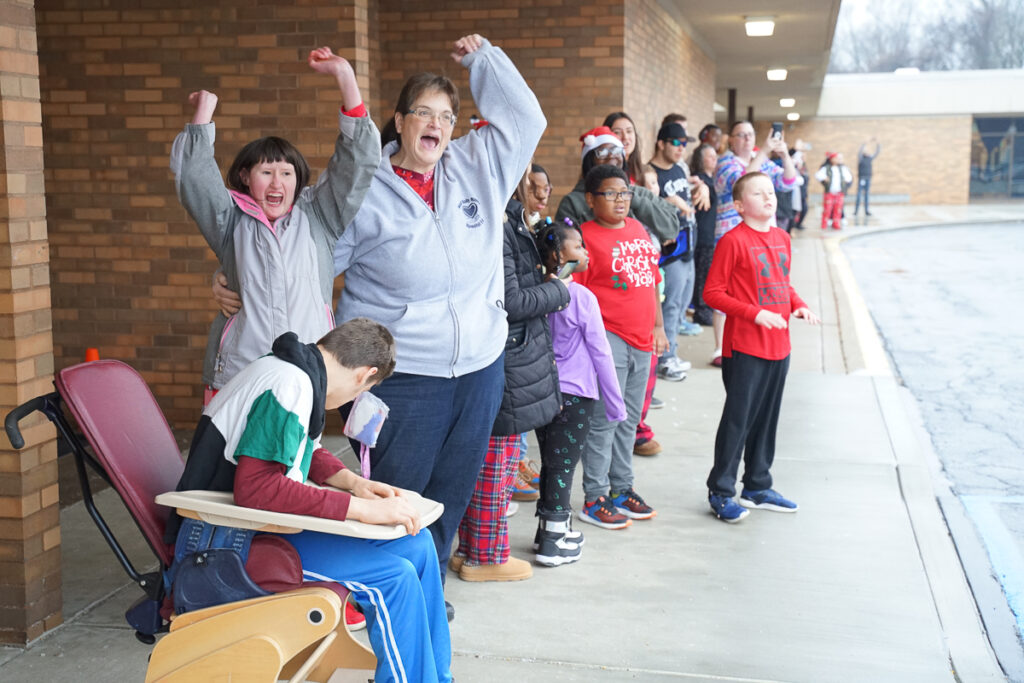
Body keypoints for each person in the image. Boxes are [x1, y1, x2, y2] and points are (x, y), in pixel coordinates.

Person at [167, 321, 452, 683]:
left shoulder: (296, 371)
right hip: (224, 540)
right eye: (363, 391)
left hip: (256, 527)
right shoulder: (289, 385)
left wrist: (355, 484)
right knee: (392, 578)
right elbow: (257, 489)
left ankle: (436, 677)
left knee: (418, 544)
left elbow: (303, 449)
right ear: (366, 375)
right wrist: (361, 510)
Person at [173, 47, 378, 399]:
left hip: (306, 372)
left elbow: (357, 162)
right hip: (241, 373)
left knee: (296, 454)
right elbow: (194, 179)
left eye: (286, 174)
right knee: (236, 456)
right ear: (245, 177)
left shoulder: (320, 217)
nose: (276, 183)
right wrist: (204, 111)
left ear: (298, 181)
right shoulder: (230, 220)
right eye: (266, 172)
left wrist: (345, 76)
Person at [451, 167, 568, 582]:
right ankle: (486, 557)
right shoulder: (497, 223)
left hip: (507, 355)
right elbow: (512, 300)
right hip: (508, 356)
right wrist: (560, 289)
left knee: (493, 460)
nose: (539, 187)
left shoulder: (507, 217)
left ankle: (469, 550)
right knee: (495, 465)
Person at [702, 173, 820, 523]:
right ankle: (721, 492)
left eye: (770, 191)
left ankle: (756, 485)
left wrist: (798, 304)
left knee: (767, 420)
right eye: (758, 192)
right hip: (745, 347)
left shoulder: (783, 237)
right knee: (738, 422)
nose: (768, 197)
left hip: (779, 345)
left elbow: (781, 283)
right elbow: (713, 294)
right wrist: (755, 314)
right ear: (739, 205)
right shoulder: (732, 242)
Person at [573, 164, 666, 529]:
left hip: (643, 338)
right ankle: (595, 496)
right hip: (607, 338)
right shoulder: (583, 236)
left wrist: (658, 325)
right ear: (591, 200)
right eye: (610, 193)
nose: (620, 200)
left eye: (624, 192)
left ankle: (621, 488)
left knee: (629, 419)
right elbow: (574, 297)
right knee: (604, 421)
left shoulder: (639, 229)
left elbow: (653, 280)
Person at [533, 217, 626, 564]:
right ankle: (554, 543)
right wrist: (615, 404)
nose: (585, 251)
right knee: (563, 466)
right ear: (560, 253)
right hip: (577, 396)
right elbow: (601, 351)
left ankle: (548, 530)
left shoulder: (535, 292)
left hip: (544, 391)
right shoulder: (582, 296)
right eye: (578, 246)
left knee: (550, 462)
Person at [711, 120, 797, 367]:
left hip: (763, 235)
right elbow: (743, 180)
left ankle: (756, 340)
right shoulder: (725, 162)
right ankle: (720, 346)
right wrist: (765, 152)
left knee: (758, 289)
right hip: (731, 232)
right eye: (741, 135)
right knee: (726, 290)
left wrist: (784, 155)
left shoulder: (765, 161)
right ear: (732, 140)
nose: (748, 140)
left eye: (750, 135)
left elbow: (788, 182)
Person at [555, 125, 678, 244]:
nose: (611, 155)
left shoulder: (640, 193)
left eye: (616, 150)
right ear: (589, 160)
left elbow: (672, 229)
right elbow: (564, 247)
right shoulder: (572, 202)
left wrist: (635, 201)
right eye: (602, 152)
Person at [648, 121, 698, 382]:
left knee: (680, 306)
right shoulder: (650, 172)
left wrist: (700, 185)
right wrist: (667, 201)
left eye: (684, 144)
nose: (681, 148)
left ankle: (671, 353)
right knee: (669, 305)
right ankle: (665, 360)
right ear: (661, 144)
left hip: (688, 244)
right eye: (676, 143)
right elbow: (644, 203)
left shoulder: (679, 169)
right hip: (670, 249)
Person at [688, 142, 718, 327]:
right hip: (701, 234)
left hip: (708, 234)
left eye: (715, 156)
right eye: (710, 156)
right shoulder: (699, 180)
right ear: (700, 160)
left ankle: (703, 307)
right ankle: (701, 310)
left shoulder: (709, 178)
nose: (714, 159)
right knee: (701, 275)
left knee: (705, 274)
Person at [603, 111, 645, 184]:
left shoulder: (641, 170)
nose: (625, 137)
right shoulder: (604, 174)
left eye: (629, 131)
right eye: (617, 132)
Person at [815, 152, 853, 231]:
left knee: (838, 209)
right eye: (835, 158)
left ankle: (836, 223)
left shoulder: (842, 168)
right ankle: (824, 223)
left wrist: (844, 181)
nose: (837, 160)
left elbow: (849, 177)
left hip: (839, 193)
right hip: (829, 192)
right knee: (827, 209)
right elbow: (818, 175)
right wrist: (824, 178)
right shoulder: (826, 168)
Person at [855, 138, 881, 216]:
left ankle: (866, 211)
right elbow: (859, 152)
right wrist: (864, 144)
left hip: (868, 178)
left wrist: (878, 144)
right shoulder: (861, 158)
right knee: (859, 195)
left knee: (867, 195)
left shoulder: (870, 158)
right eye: (866, 151)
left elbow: (877, 153)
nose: (867, 153)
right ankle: (856, 211)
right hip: (861, 178)